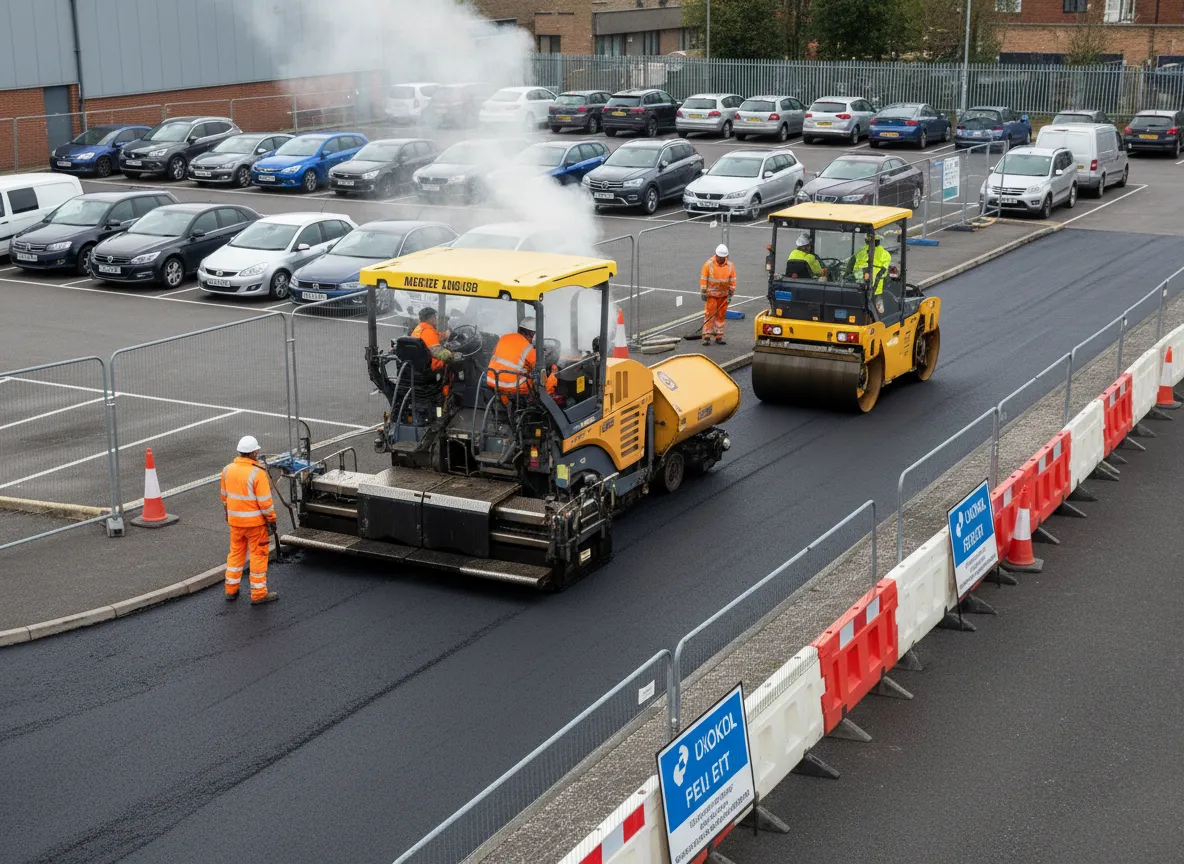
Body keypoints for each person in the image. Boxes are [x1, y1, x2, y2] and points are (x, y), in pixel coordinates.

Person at [220, 435, 278, 605]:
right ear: (253, 452)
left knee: (236, 554)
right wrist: (271, 520)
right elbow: (266, 503)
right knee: (258, 555)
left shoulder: (227, 469)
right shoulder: (257, 472)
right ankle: (259, 594)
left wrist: (228, 515)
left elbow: (224, 497)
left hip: (235, 523)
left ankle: (231, 590)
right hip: (255, 525)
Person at [485, 317, 557, 398]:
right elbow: (539, 365)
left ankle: (506, 404)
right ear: (530, 334)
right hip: (514, 386)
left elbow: (495, 355)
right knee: (544, 380)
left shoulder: (504, 338)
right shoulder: (528, 348)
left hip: (493, 381)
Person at [700, 243, 736, 346]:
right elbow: (704, 279)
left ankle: (718, 336)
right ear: (716, 255)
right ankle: (707, 336)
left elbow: (732, 280)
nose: (721, 259)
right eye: (720, 257)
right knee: (709, 315)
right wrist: (703, 292)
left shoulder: (730, 266)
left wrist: (730, 294)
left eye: (723, 257)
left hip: (723, 296)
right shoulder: (708, 264)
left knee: (721, 316)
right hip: (711, 295)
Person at [852, 232, 892, 314]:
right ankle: (879, 313)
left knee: (862, 302)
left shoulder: (860, 252)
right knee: (877, 302)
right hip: (876, 286)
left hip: (859, 284)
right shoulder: (885, 254)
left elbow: (854, 266)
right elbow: (883, 270)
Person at [410, 307, 453, 372]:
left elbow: (436, 336)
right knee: (455, 363)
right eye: (435, 317)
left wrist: (447, 333)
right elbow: (438, 353)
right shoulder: (428, 332)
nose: (436, 319)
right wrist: (453, 355)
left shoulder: (420, 328)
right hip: (431, 365)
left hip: (417, 363)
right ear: (431, 318)